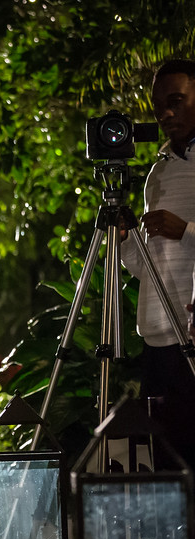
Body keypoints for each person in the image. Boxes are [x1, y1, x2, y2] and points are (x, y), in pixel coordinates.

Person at [120, 58, 195, 465]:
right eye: (158, 105)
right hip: (159, 336)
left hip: (193, 332)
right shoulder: (156, 174)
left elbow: (180, 234)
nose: (166, 113)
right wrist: (125, 239)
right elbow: (141, 266)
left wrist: (185, 229)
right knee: (168, 464)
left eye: (177, 101)